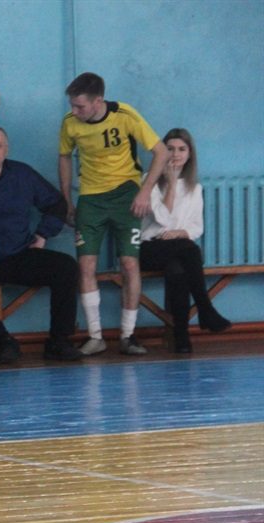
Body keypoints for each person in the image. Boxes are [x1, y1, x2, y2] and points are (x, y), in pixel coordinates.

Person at [58, 72, 168, 356]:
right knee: (86, 266)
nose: (74, 111)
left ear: (98, 101)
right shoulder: (70, 123)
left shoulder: (125, 115)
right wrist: (66, 199)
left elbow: (161, 152)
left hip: (126, 195)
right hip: (90, 198)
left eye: (80, 106)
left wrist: (144, 191)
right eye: (72, 105)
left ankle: (128, 336)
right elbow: (64, 156)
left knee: (129, 264)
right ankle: (95, 337)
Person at [0, 126, 83, 363]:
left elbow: (57, 204)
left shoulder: (23, 175)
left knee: (66, 267)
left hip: (20, 253)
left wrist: (43, 234)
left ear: (6, 149)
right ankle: (3, 341)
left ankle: (60, 342)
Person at [139, 128, 231, 353]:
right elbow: (162, 219)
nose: (176, 154)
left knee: (178, 268)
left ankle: (182, 337)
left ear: (190, 154)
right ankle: (205, 310)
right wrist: (170, 184)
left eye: (182, 149)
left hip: (178, 248)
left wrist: (180, 232)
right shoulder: (149, 181)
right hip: (149, 248)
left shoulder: (194, 188)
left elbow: (196, 226)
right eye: (170, 149)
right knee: (190, 250)